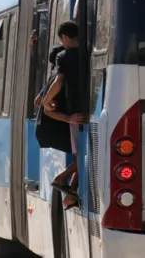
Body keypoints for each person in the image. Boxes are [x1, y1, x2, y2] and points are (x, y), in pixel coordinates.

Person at [43, 20, 83, 209]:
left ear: (65, 38)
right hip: (92, 109)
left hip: (76, 114)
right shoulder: (89, 52)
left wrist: (46, 100)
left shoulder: (64, 56)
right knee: (84, 156)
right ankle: (69, 194)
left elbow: (59, 80)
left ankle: (61, 180)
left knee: (83, 156)